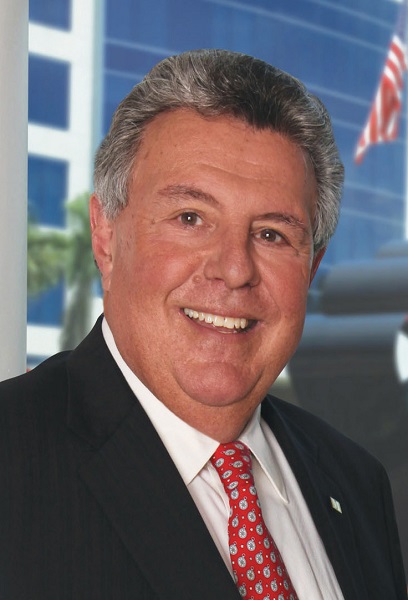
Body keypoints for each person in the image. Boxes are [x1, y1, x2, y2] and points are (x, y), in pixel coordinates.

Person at [0, 49, 406, 600]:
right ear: (106, 237)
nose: (235, 270)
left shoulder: (358, 484)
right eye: (190, 218)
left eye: (272, 234)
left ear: (311, 267)